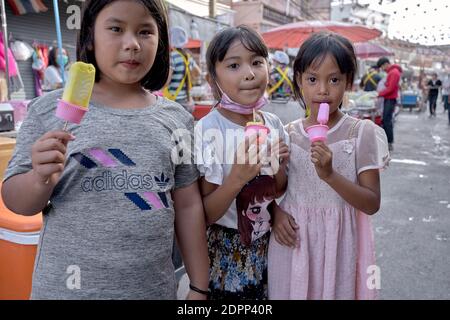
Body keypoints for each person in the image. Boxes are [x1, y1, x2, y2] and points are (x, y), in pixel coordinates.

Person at [1, 0, 209, 300]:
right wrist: (38, 178)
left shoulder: (177, 120)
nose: (132, 44)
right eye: (115, 28)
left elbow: (188, 207)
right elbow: (18, 203)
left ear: (160, 41)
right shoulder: (47, 111)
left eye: (145, 31)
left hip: (152, 291)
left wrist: (199, 285)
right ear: (90, 36)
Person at [267, 32, 390, 300]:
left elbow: (371, 203)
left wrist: (330, 175)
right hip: (293, 242)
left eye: (334, 79)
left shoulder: (361, 132)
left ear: (348, 82)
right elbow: (278, 191)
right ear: (298, 80)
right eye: (312, 79)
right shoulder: (288, 133)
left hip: (339, 245)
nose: (323, 90)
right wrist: (276, 172)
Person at [195, 25, 290, 300]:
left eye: (257, 62)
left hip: (265, 246)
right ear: (213, 78)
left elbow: (277, 189)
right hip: (223, 252)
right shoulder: (208, 131)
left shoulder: (272, 124)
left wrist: (279, 166)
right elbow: (205, 214)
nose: (249, 73)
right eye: (234, 65)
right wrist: (237, 177)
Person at [164, 26, 201, 113]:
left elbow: (166, 82)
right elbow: (198, 73)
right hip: (187, 101)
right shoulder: (188, 57)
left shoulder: (172, 57)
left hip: (174, 102)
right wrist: (189, 77)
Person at [376, 57, 402, 152]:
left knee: (387, 121)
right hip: (389, 99)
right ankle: (388, 142)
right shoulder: (393, 72)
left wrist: (378, 94)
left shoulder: (393, 72)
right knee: (386, 120)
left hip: (390, 99)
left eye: (382, 67)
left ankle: (389, 142)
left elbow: (390, 88)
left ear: (386, 64)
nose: (382, 69)